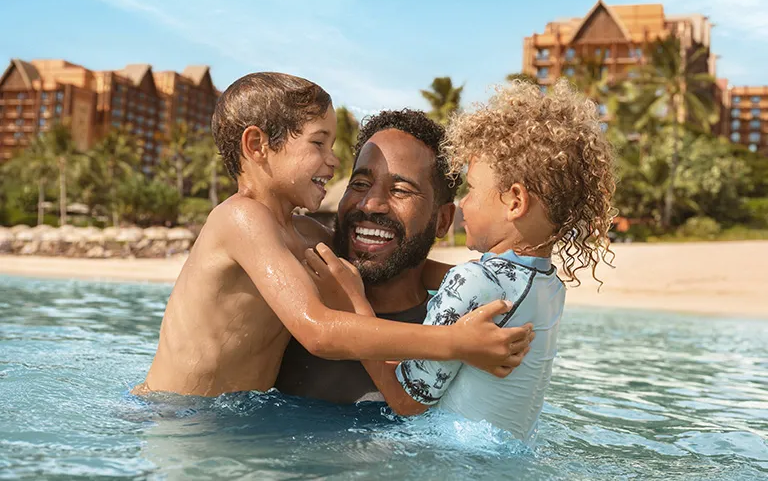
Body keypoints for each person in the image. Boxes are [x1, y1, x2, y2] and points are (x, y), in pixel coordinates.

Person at [134, 72, 531, 397]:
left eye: (334, 144)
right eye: (318, 143)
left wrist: (490, 285)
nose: (334, 159)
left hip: (223, 422)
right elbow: (318, 330)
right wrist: (457, 344)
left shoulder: (302, 233)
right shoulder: (240, 220)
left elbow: (394, 257)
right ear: (257, 145)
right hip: (172, 412)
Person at [311, 80, 616, 440]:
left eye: (472, 189)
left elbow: (408, 401)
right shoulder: (551, 288)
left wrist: (352, 302)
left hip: (447, 461)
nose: (464, 205)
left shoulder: (473, 282)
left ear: (515, 202)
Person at [276, 109, 532, 402]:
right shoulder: (294, 287)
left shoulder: (472, 337)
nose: (371, 204)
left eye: (400, 190)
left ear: (443, 221)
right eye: (359, 184)